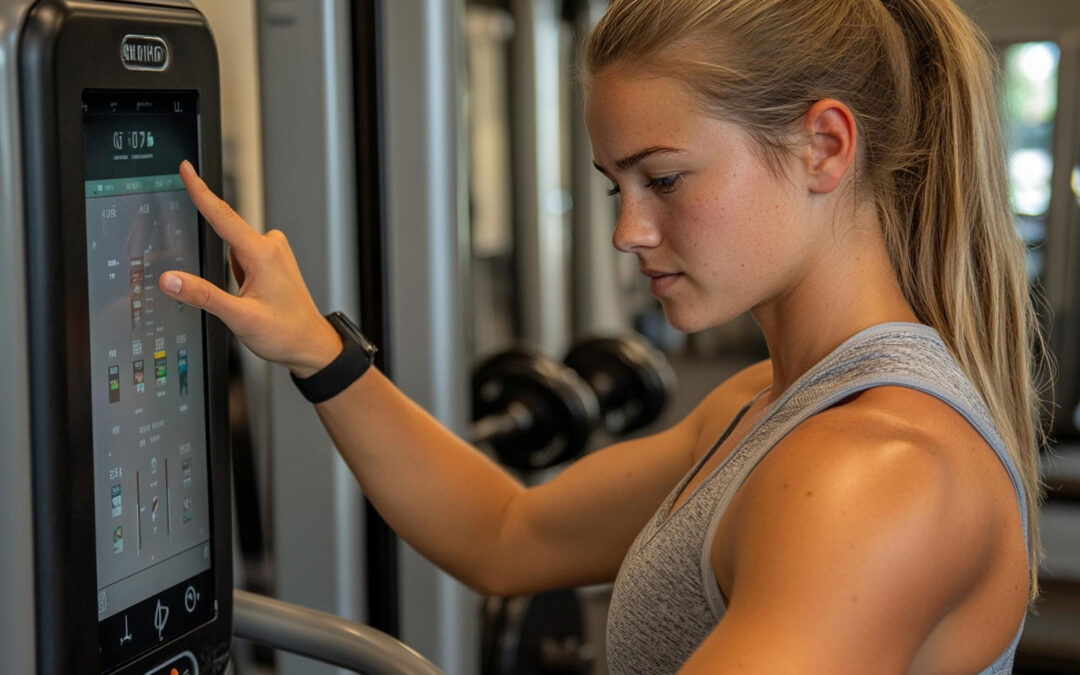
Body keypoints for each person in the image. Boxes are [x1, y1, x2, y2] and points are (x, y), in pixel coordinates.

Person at [159, 0, 1048, 672]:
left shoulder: (874, 470)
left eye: (663, 178)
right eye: (615, 186)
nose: (627, 231)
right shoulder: (770, 402)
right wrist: (318, 348)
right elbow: (507, 533)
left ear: (824, 146)